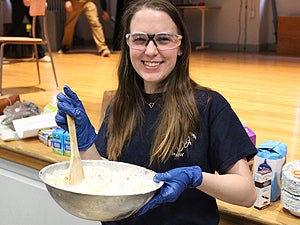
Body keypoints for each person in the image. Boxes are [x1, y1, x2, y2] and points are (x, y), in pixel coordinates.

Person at [55, 0, 257, 224]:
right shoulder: (118, 105)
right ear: (128, 44)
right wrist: (84, 143)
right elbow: (107, 173)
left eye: (163, 39)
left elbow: (246, 193)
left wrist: (196, 178)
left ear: (180, 46)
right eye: (140, 39)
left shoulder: (209, 105)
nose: (151, 51)